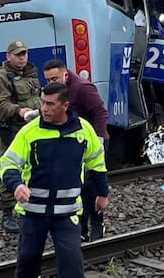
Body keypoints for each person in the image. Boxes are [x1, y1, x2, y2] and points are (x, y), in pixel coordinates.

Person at [0, 82, 109, 278]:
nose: (44, 108)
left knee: (72, 265)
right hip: (33, 213)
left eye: (50, 104)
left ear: (65, 106)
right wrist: (16, 186)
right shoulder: (30, 131)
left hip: (67, 214)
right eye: (42, 103)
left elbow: (97, 164)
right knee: (27, 264)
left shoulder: (83, 131)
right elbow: (8, 162)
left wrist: (102, 194)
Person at [43, 59, 110, 241]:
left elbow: (100, 112)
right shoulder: (53, 94)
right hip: (70, 144)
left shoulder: (82, 88)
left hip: (91, 141)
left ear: (65, 74)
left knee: (92, 187)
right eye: (48, 80)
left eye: (55, 78)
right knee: (75, 187)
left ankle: (97, 225)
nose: (51, 83)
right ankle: (80, 229)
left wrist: (98, 138)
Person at [0, 39, 41, 233]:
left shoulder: (31, 73)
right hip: (12, 130)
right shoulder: (0, 78)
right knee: (10, 166)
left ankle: (30, 208)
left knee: (33, 167)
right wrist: (20, 111)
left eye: (24, 54)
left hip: (34, 128)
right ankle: (8, 213)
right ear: (8, 56)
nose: (22, 58)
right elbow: (1, 105)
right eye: (18, 55)